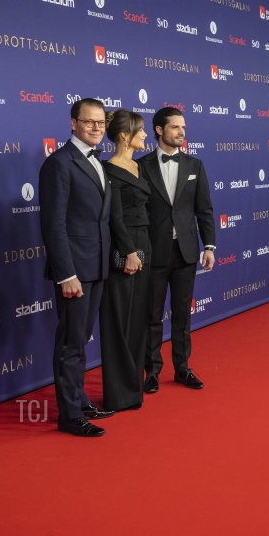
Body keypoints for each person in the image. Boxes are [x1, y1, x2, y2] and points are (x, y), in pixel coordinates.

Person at [39, 98, 115, 437]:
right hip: (75, 270)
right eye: (89, 122)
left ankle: (79, 399)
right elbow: (53, 225)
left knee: (82, 338)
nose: (97, 128)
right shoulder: (59, 163)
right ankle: (69, 415)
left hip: (97, 266)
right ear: (73, 123)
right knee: (71, 342)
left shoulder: (98, 161)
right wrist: (66, 273)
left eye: (100, 123)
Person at [141, 107, 217, 393]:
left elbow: (205, 209)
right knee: (152, 315)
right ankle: (152, 372)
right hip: (154, 252)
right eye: (175, 127)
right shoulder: (141, 165)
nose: (182, 132)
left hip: (186, 252)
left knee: (182, 314)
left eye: (183, 127)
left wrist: (209, 245)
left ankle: (182, 368)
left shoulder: (195, 165)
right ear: (159, 130)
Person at [99, 110, 152, 414]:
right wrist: (129, 251)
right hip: (125, 248)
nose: (145, 136)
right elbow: (114, 217)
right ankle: (118, 394)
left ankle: (133, 387)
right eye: (140, 131)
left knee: (138, 317)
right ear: (123, 136)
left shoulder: (137, 165)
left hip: (145, 243)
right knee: (119, 318)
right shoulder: (109, 170)